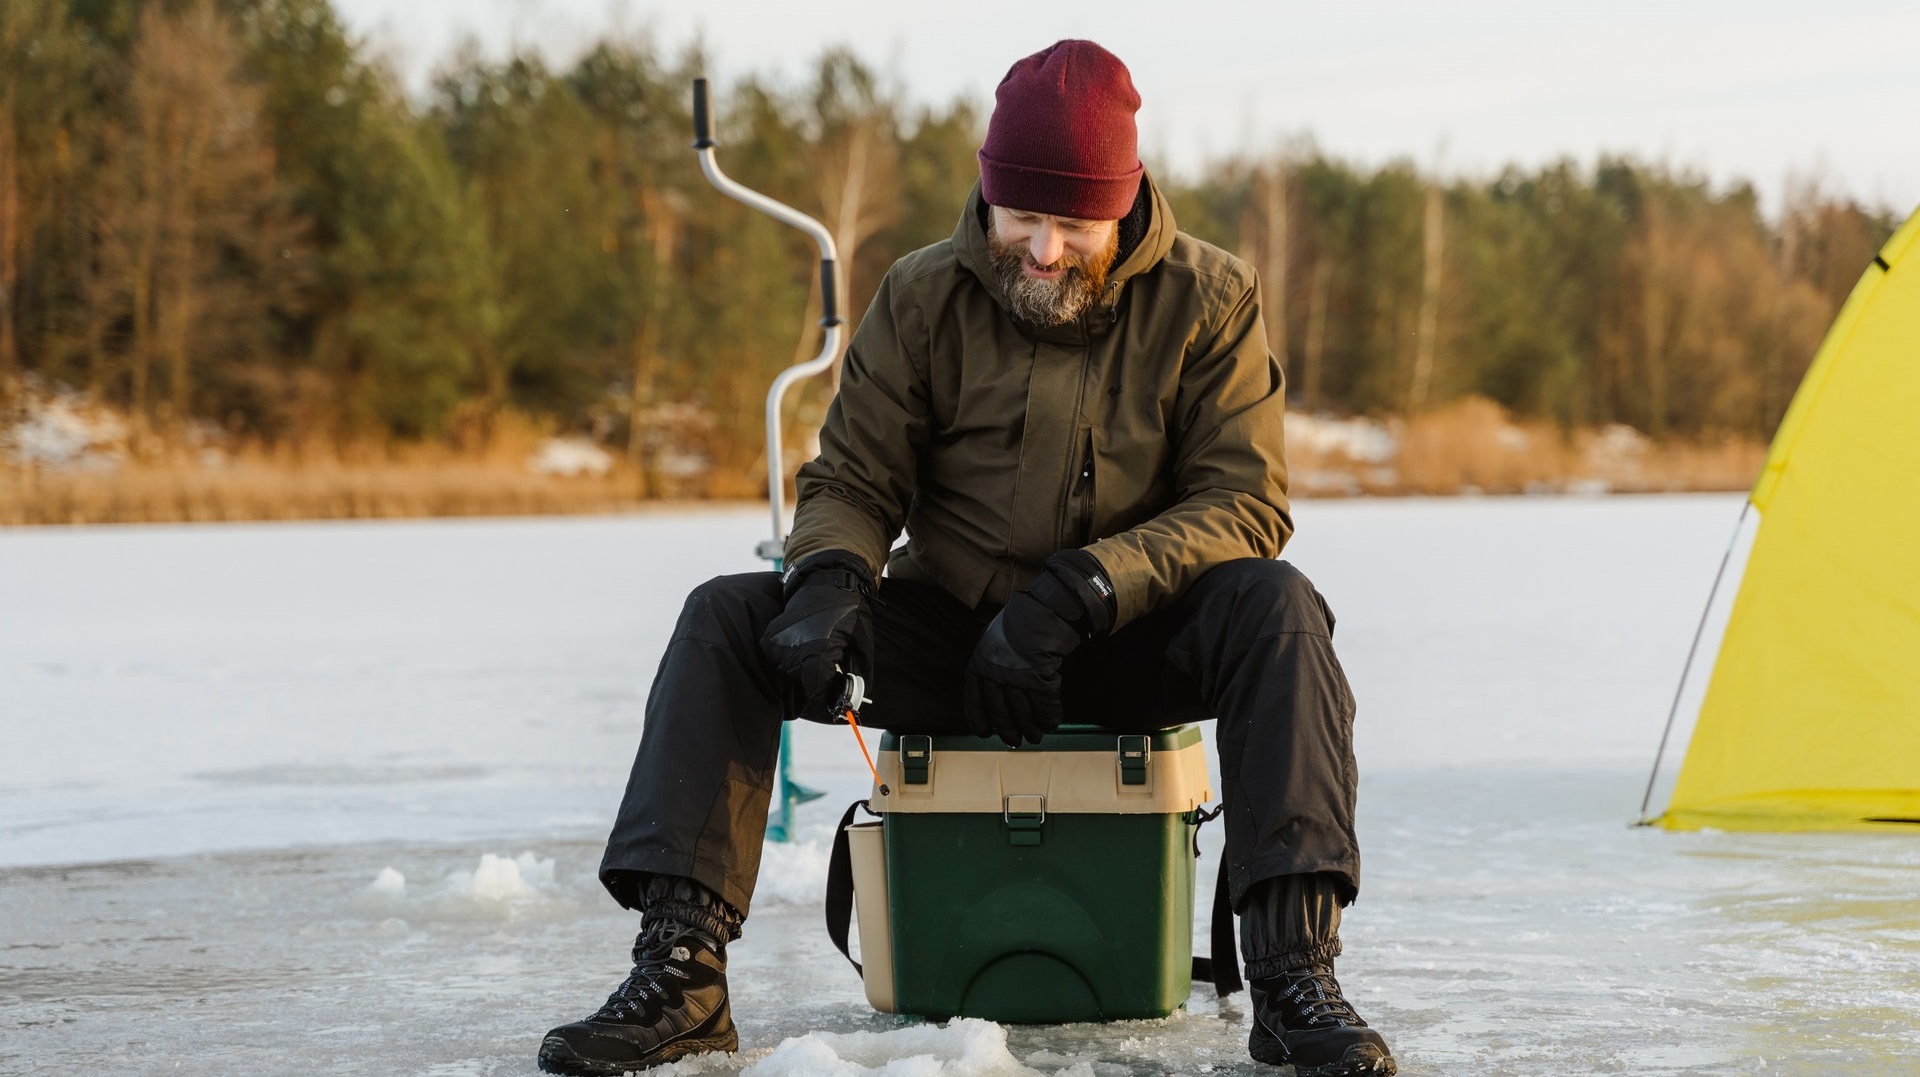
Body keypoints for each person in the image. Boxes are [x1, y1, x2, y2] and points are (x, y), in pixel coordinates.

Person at [538, 39, 1396, 1077]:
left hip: (1127, 636)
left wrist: (1082, 591)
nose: (1040, 250)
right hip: (955, 636)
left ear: (1122, 208)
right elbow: (854, 479)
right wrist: (829, 583)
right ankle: (681, 973)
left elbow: (1243, 501)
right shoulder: (921, 294)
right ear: (987, 196)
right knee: (726, 616)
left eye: (1071, 223)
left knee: (1280, 609)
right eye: (1019, 216)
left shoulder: (1209, 298)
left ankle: (1295, 974)